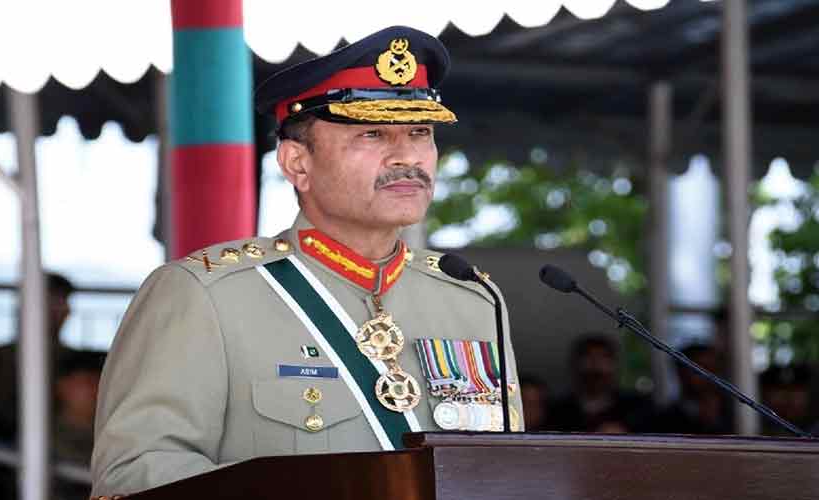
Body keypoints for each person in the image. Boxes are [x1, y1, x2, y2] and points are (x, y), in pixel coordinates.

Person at [91, 26, 522, 497]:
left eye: (420, 133)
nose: (406, 156)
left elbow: (507, 470)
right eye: (373, 134)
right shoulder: (206, 295)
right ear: (297, 163)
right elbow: (132, 475)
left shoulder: (472, 299)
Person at [0, 272, 76, 439]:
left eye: (63, 301)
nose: (64, 309)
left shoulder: (73, 358)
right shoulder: (3, 357)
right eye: (54, 301)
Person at [546, 334, 650, 433]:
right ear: (574, 365)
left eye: (603, 358)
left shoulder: (638, 408)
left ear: (616, 366)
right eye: (589, 358)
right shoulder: (557, 411)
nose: (596, 366)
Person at [644, 342, 733, 435]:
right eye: (701, 370)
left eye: (714, 369)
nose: (711, 377)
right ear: (681, 373)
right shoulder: (662, 420)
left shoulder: (735, 413)